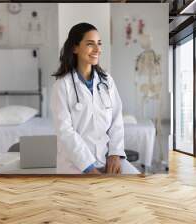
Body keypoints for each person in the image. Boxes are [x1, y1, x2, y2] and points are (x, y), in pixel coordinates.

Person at [50, 23, 140, 175]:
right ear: (75, 48)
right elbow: (65, 132)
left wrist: (115, 153)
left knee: (138, 183)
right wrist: (89, 168)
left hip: (107, 158)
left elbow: (116, 120)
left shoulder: (106, 81)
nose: (98, 50)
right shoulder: (62, 85)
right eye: (90, 44)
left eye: (99, 44)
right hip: (76, 165)